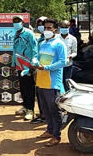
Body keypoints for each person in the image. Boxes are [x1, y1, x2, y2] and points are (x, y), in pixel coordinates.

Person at [33, 18, 67, 147]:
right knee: (45, 110)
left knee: (54, 110)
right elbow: (38, 56)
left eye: (49, 28)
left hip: (52, 83)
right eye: (45, 28)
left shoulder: (59, 44)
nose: (46, 30)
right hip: (41, 81)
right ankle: (49, 130)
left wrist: (46, 68)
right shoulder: (42, 43)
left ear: (55, 30)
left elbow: (63, 62)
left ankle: (56, 136)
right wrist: (35, 61)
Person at [11, 15, 38, 120]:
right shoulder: (16, 34)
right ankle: (25, 106)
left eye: (18, 21)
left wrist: (33, 62)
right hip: (19, 65)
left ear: (22, 22)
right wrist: (13, 64)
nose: (16, 23)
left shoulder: (29, 33)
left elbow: (34, 48)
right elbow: (14, 50)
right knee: (22, 87)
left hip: (28, 65)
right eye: (14, 21)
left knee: (29, 88)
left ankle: (30, 110)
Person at [31, 16, 47, 124]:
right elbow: (37, 54)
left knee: (49, 95)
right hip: (40, 71)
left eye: (44, 24)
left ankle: (48, 117)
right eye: (39, 24)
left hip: (50, 71)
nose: (41, 27)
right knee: (40, 93)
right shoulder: (40, 39)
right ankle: (42, 115)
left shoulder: (56, 40)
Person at [58, 20, 77, 91]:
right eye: (62, 27)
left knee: (67, 83)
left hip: (68, 65)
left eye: (66, 27)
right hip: (57, 65)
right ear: (60, 28)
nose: (64, 29)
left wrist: (70, 56)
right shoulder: (56, 38)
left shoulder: (73, 39)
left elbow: (75, 52)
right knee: (58, 84)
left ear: (69, 28)